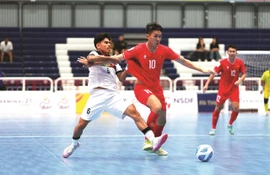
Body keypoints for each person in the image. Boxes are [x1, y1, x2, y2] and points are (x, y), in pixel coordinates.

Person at [85, 22, 215, 156]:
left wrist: (203, 69)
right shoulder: (138, 49)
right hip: (142, 88)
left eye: (160, 36)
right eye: (155, 36)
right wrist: (93, 61)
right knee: (156, 107)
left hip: (156, 88)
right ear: (148, 36)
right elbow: (116, 59)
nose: (158, 39)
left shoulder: (164, 50)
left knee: (162, 119)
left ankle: (155, 145)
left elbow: (182, 61)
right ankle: (147, 140)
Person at [62, 33, 168, 158]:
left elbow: (121, 78)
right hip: (97, 96)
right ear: (98, 45)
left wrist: (128, 68)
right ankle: (74, 144)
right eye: (106, 43)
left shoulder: (115, 62)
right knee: (80, 125)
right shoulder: (94, 54)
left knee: (134, 113)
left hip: (113, 96)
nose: (109, 45)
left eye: (109, 43)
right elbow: (91, 60)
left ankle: (152, 139)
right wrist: (105, 61)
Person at [203, 45, 247, 136]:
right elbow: (213, 73)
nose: (231, 53)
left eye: (233, 51)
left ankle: (230, 124)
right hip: (223, 89)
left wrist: (239, 80)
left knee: (236, 108)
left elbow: (244, 74)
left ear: (236, 53)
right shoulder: (222, 62)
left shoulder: (240, 62)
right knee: (218, 108)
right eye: (230, 51)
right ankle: (213, 128)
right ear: (227, 52)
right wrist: (206, 84)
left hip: (234, 89)